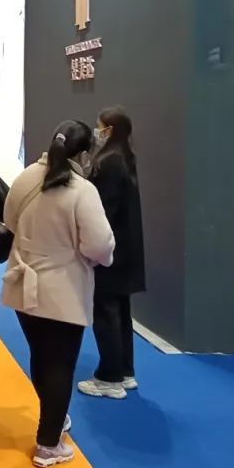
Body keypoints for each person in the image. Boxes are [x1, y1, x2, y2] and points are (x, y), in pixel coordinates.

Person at [2, 120, 115, 468]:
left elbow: (9, 220)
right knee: (60, 365)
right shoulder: (82, 190)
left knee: (41, 357)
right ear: (84, 154)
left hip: (23, 283)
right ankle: (48, 444)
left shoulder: (25, 177)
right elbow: (100, 244)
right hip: (62, 289)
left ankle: (54, 417)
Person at [78, 107, 146, 400]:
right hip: (126, 249)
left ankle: (109, 377)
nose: (97, 132)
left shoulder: (108, 162)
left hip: (110, 250)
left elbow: (102, 211)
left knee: (106, 312)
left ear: (110, 130)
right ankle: (125, 371)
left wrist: (90, 245)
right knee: (120, 312)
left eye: (100, 126)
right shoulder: (125, 157)